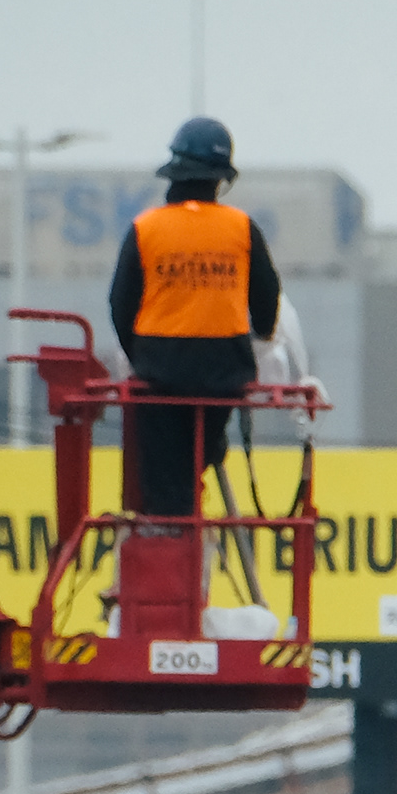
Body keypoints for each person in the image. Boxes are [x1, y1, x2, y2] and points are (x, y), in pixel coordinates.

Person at [107, 116, 284, 523]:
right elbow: (267, 300)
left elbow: (120, 305)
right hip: (224, 374)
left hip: (159, 371)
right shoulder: (242, 228)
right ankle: (203, 461)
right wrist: (256, 343)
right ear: (220, 179)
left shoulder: (145, 229)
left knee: (165, 473)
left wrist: (142, 357)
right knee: (199, 447)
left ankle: (169, 529)